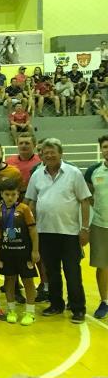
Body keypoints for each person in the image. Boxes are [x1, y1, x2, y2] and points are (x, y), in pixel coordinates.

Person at [26, 138, 90, 324]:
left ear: (60, 153)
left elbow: (84, 201)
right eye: (46, 153)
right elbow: (31, 202)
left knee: (72, 272)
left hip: (69, 233)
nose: (49, 155)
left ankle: (78, 308)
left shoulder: (74, 173)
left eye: (53, 152)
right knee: (51, 272)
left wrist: (84, 228)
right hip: (45, 232)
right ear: (42, 156)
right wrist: (31, 229)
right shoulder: (37, 175)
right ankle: (56, 304)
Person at [0, 179, 39, 326]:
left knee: (28, 281)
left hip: (24, 252)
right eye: (7, 194)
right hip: (7, 253)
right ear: (2, 194)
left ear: (18, 195)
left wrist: (35, 250)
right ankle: (11, 310)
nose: (10, 197)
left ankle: (30, 312)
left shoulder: (24, 209)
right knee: (9, 281)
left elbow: (33, 230)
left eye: (13, 194)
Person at [86, 135, 108, 319]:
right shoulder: (94, 171)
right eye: (105, 147)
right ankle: (104, 301)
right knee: (102, 266)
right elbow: (89, 197)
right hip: (101, 225)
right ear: (101, 150)